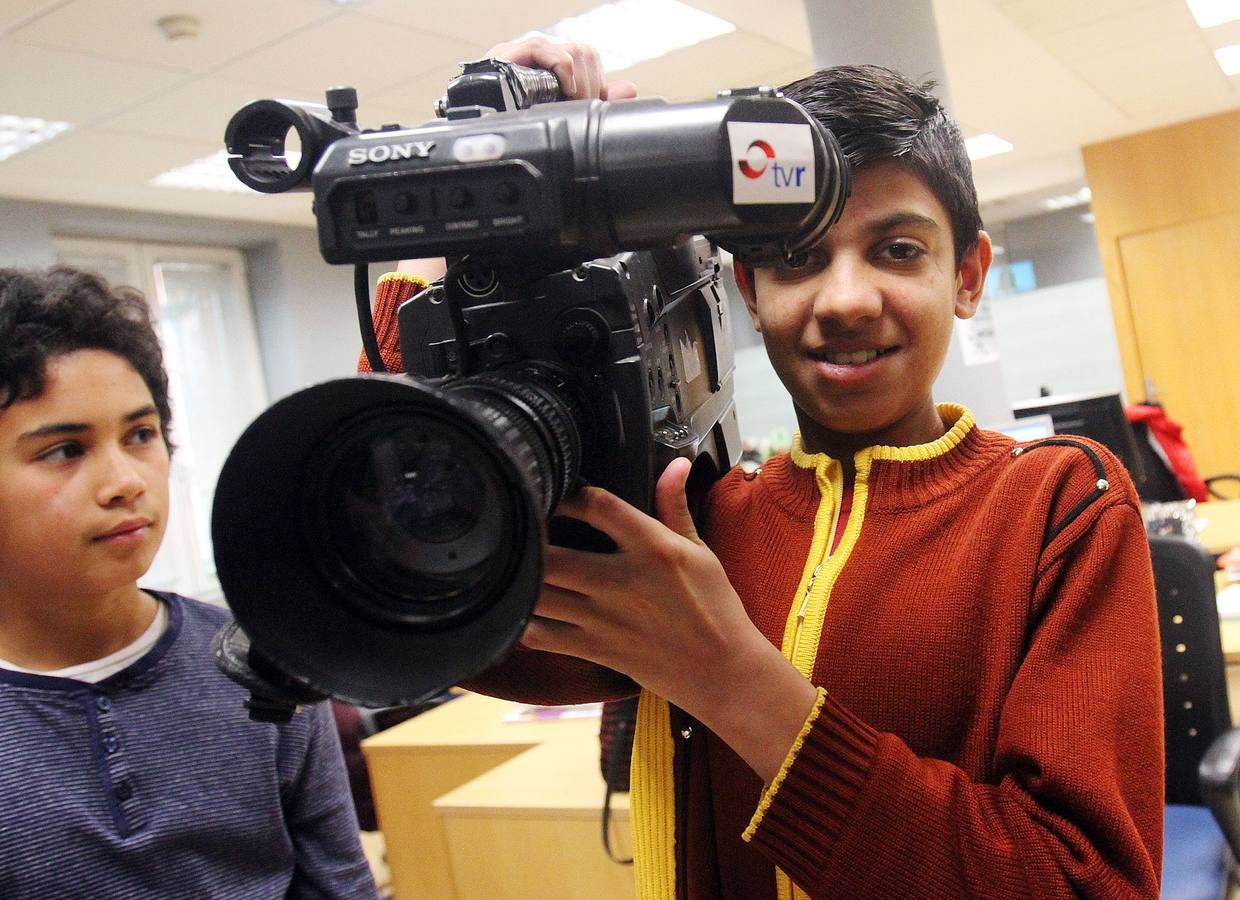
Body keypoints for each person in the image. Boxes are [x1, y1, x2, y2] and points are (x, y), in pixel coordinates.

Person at [368, 38, 1164, 898]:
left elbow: (1086, 886)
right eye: (797, 257)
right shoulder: (684, 522)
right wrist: (455, 219)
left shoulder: (1056, 507)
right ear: (748, 292)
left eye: (898, 250)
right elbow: (450, 613)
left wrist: (729, 680)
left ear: (968, 276)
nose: (848, 300)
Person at [0, 266, 378, 899]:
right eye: (66, 449)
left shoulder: (263, 665)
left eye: (140, 435)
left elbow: (339, 886)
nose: (126, 480)